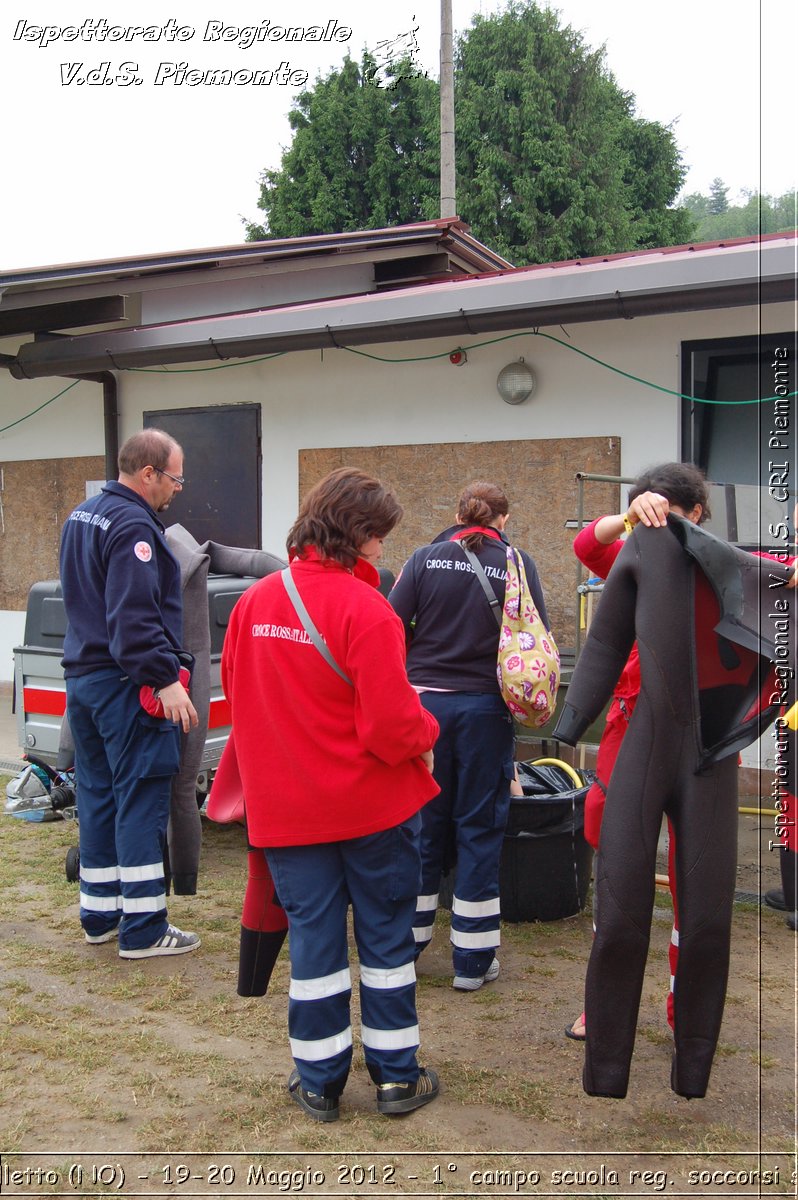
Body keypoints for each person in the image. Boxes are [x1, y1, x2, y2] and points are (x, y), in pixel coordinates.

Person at [221, 467, 441, 1123]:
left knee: (314, 945)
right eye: (379, 536)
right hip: (374, 812)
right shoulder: (369, 611)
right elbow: (392, 727)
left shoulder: (254, 604)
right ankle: (396, 1078)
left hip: (289, 814)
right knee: (384, 943)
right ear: (360, 533)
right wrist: (430, 725)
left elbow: (241, 694)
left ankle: (317, 1081)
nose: (383, 548)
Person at [565, 463, 709, 1041]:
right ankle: (602, 1009)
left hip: (701, 740)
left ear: (696, 513)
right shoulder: (635, 553)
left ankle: (685, 1010)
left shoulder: (724, 563)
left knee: (691, 883)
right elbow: (585, 544)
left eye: (668, 512)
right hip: (631, 732)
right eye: (647, 513)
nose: (657, 524)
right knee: (619, 875)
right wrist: (625, 517)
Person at [389, 481, 550, 990]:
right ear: (502, 520)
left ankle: (405, 947)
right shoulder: (518, 565)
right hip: (485, 709)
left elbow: (391, 623)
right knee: (480, 827)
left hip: (425, 708)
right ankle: (473, 962)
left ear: (458, 514)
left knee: (421, 825)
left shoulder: (423, 558)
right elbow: (536, 634)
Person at [59, 428, 200, 959]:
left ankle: (99, 913)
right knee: (141, 796)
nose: (178, 489)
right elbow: (134, 617)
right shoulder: (134, 525)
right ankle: (143, 927)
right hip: (127, 685)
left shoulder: (82, 514)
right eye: (175, 477)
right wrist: (165, 680)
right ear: (149, 474)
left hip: (85, 681)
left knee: (97, 797)